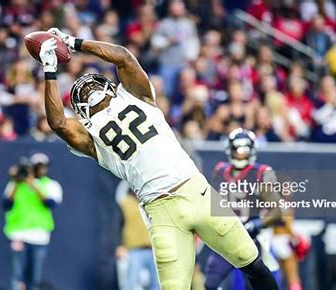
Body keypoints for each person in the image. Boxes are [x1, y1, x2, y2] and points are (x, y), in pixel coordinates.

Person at [38, 28, 279, 290]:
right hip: (161, 211)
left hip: (196, 191)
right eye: (82, 94)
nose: (90, 90)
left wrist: (74, 42)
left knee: (252, 262)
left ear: (110, 86)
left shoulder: (136, 96)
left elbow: (124, 57)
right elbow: (59, 123)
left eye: (93, 84)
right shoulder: (91, 137)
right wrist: (50, 70)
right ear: (82, 112)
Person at [204, 128, 283, 290]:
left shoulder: (262, 172)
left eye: (245, 149)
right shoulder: (219, 170)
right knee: (210, 284)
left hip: (251, 239)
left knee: (258, 284)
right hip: (224, 238)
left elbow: (277, 211)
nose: (240, 154)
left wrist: (256, 224)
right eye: (237, 149)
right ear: (229, 149)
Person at [2, 153, 63, 290]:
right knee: (17, 279)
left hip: (39, 237)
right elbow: (6, 204)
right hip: (18, 236)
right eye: (37, 166)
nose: (41, 169)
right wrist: (17, 182)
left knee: (35, 279)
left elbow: (50, 203)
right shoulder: (15, 184)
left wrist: (33, 184)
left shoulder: (51, 185)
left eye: (43, 166)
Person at [116, 189, 158, 290]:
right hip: (133, 250)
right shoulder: (124, 203)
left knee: (156, 285)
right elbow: (117, 225)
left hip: (153, 250)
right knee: (130, 284)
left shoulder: (149, 202)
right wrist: (119, 244)